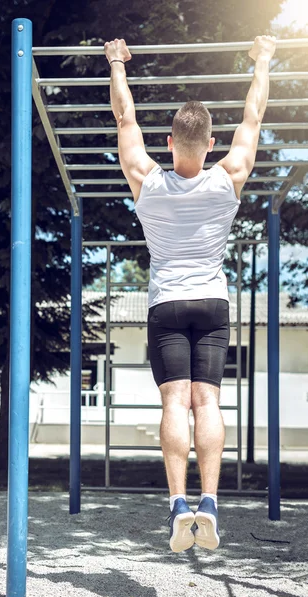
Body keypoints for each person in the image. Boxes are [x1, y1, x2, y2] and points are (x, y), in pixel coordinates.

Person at [104, 35, 277, 552]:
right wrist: (263, 60)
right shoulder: (229, 177)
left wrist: (116, 63)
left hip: (166, 304)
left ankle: (179, 506)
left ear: (170, 141)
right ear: (210, 141)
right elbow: (254, 117)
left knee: (175, 403)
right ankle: (210, 503)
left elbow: (124, 120)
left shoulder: (147, 179)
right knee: (209, 402)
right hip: (212, 302)